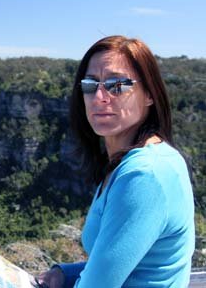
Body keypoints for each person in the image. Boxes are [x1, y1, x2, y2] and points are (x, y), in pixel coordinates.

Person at [38, 35, 195, 287]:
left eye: (117, 84)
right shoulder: (131, 162)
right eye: (90, 84)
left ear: (149, 94)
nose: (100, 96)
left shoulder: (145, 176)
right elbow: (134, 265)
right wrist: (64, 274)